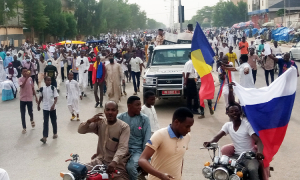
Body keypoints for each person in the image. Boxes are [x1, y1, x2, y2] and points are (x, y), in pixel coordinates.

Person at [203, 83, 264, 180]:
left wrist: (259, 152)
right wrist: (210, 142)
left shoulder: (246, 125)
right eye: (231, 111)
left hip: (249, 157)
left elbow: (259, 140)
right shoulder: (228, 126)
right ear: (227, 113)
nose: (234, 113)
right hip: (236, 156)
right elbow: (217, 137)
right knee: (220, 168)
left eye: (236, 111)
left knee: (252, 169)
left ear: (240, 112)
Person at [78, 101, 130, 179]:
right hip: (99, 161)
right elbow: (81, 131)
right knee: (78, 172)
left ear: (117, 112)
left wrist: (114, 162)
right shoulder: (99, 122)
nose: (110, 112)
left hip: (116, 165)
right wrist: (89, 121)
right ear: (104, 111)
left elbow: (123, 147)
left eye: (113, 110)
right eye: (108, 110)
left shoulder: (124, 127)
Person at [138, 107, 194, 180]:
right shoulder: (159, 135)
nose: (189, 130)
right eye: (187, 126)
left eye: (190, 127)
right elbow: (142, 160)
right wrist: (161, 175)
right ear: (176, 122)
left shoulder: (187, 137)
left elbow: (180, 158)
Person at [117, 96, 151, 180]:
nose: (140, 107)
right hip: (122, 150)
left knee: (131, 167)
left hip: (137, 151)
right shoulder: (120, 118)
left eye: (140, 105)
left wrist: (146, 158)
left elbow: (147, 139)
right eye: (137, 105)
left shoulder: (144, 119)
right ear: (129, 106)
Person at [37, 76, 59, 144]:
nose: (49, 81)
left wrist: (53, 105)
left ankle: (55, 133)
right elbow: (41, 97)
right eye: (48, 80)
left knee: (53, 121)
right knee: (45, 122)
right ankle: (45, 137)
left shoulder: (53, 88)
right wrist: (38, 104)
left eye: (50, 80)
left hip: (52, 108)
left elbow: (56, 97)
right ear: (45, 81)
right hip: (45, 108)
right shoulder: (42, 89)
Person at [19, 67, 38, 134]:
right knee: (23, 113)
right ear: (21, 72)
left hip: (29, 98)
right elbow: (22, 86)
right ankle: (24, 127)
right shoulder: (20, 79)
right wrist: (26, 78)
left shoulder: (30, 79)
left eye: (26, 71)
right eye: (24, 71)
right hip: (23, 99)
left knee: (30, 111)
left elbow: (32, 88)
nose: (25, 72)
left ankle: (32, 119)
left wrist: (36, 97)